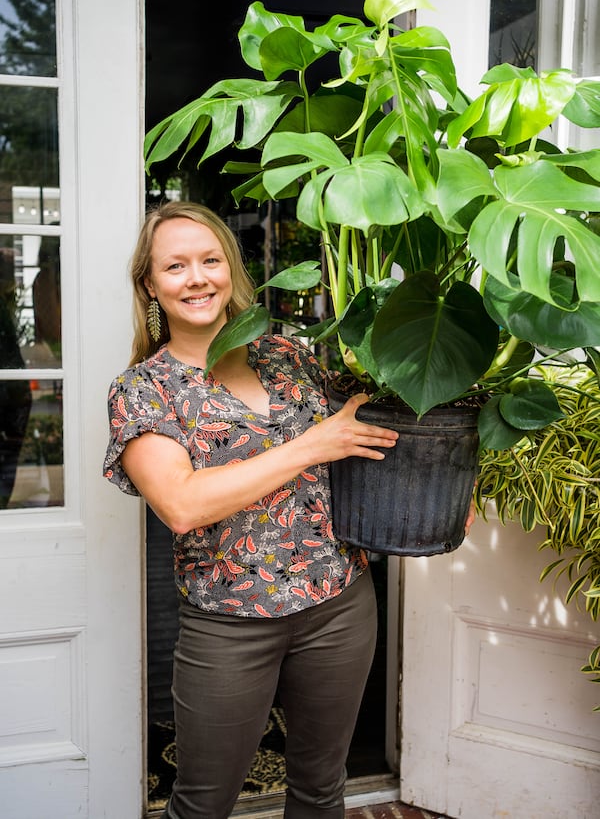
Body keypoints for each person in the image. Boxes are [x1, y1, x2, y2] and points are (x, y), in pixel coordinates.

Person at [103, 201, 473, 819]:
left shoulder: (289, 355)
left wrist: (443, 491)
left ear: (232, 270)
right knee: (201, 802)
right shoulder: (144, 389)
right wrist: (311, 446)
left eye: (210, 260)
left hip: (339, 604)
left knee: (320, 789)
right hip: (230, 622)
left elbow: (372, 431)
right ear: (150, 285)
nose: (196, 278)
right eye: (175, 267)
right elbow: (182, 504)